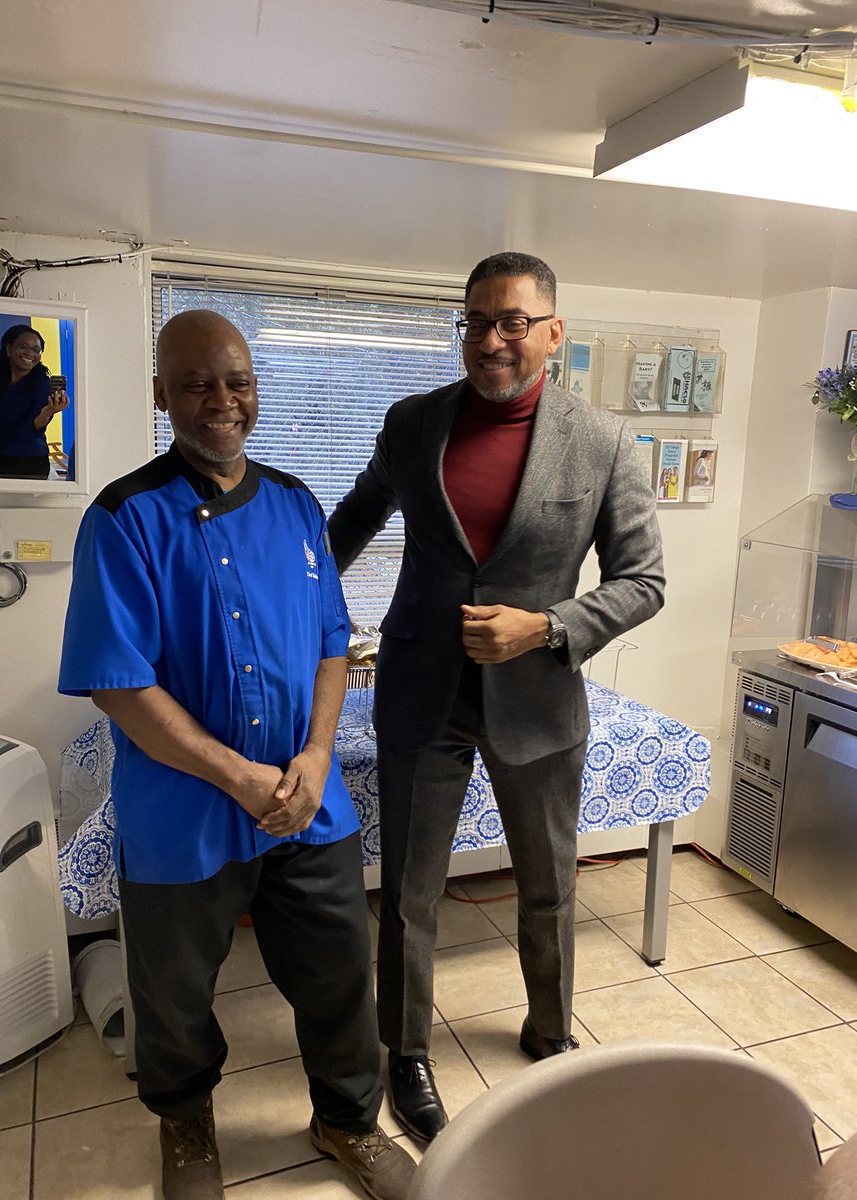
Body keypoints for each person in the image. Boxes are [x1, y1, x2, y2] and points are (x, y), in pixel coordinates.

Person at [58, 310, 415, 1200]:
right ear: (160, 396)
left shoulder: (297, 505)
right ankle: (185, 1128)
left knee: (340, 975)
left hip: (307, 799)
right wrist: (239, 776)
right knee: (175, 997)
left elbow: (335, 639)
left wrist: (319, 754)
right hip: (185, 811)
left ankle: (346, 1123)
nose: (222, 401)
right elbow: (119, 685)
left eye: (237, 381)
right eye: (196, 384)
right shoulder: (125, 517)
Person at [328, 251, 665, 1141]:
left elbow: (644, 581)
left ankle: (550, 1034)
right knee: (409, 892)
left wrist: (546, 627)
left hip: (540, 697)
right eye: (476, 321)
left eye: (512, 321)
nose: (491, 339)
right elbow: (356, 516)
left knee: (549, 885)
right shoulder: (412, 425)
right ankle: (406, 1054)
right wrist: (299, 598)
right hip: (420, 691)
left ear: (552, 332)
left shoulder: (603, 443)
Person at [0, 324, 68, 479]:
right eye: (23, 346)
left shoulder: (42, 384)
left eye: (36, 350)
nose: (30, 353)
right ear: (9, 349)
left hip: (26, 463)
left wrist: (49, 412)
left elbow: (33, 426)